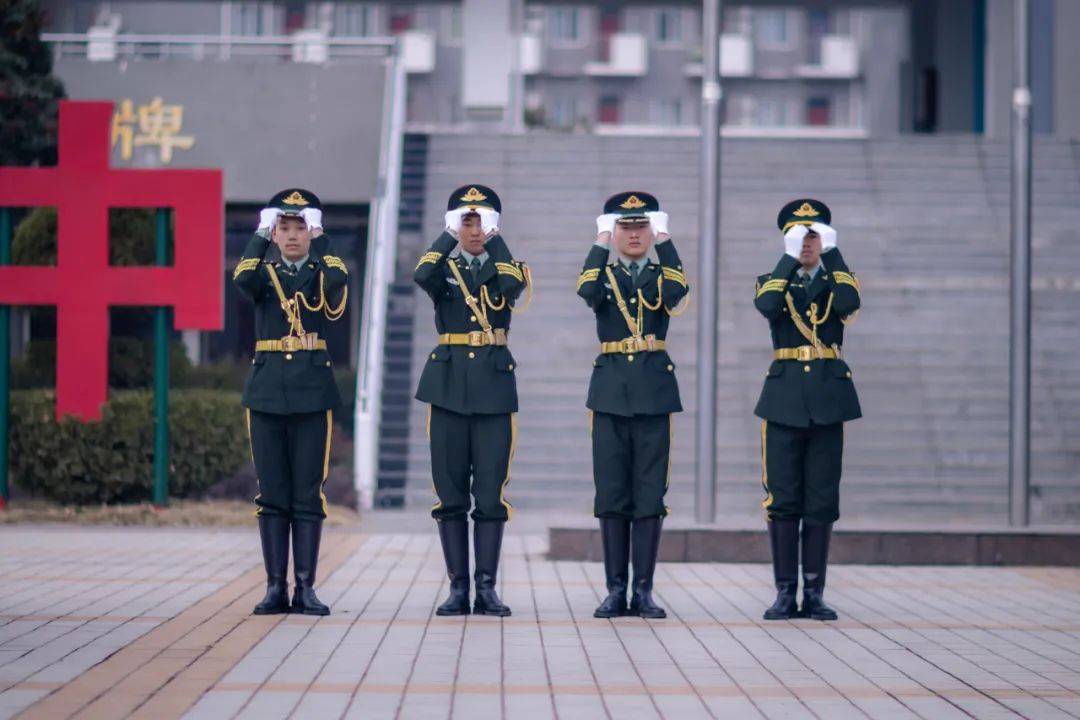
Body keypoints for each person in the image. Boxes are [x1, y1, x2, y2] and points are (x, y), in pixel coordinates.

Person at [414, 184, 532, 617]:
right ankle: (457, 589)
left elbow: (511, 286)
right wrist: (449, 234)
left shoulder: (507, 265)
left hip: (493, 390)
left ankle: (486, 589)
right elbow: (421, 275)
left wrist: (495, 237)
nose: (475, 228)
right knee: (449, 494)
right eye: (467, 219)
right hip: (446, 388)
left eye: (482, 220)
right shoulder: (443, 268)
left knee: (489, 493)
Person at [233, 188, 349, 616]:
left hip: (311, 391)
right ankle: (273, 588)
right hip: (266, 392)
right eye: (285, 227)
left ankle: (305, 588)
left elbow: (339, 280)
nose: (294, 235)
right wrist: (260, 233)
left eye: (301, 226)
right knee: (272, 494)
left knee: (307, 493)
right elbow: (241, 278)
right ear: (275, 232)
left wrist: (322, 237)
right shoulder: (263, 273)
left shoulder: (321, 269)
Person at [576, 191, 689, 619]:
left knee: (649, 493)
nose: (635, 235)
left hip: (654, 392)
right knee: (611, 493)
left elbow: (680, 290)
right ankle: (614, 590)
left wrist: (667, 240)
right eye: (626, 227)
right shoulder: (602, 276)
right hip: (609, 394)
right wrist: (600, 241)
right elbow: (585, 289)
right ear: (614, 231)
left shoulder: (663, 276)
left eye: (642, 226)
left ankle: (643, 590)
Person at [753, 198, 861, 621]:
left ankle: (814, 593)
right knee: (782, 499)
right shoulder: (772, 279)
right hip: (783, 401)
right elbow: (766, 307)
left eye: (814, 235)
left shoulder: (840, 280)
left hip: (828, 401)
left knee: (821, 498)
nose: (807, 243)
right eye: (799, 236)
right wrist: (787, 257)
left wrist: (832, 254)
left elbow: (849, 304)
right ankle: (785, 593)